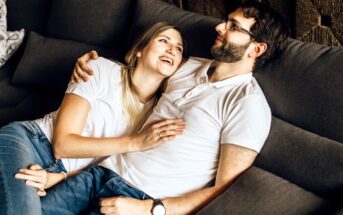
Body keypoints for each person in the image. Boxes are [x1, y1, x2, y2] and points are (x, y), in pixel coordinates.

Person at [41, 1, 290, 214]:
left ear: (257, 49)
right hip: (95, 175)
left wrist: (151, 209)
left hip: (137, 200)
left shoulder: (248, 104)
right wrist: (88, 64)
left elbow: (225, 190)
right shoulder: (187, 66)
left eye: (233, 27)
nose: (219, 27)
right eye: (226, 21)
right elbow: (134, 77)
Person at [0, 22, 187, 215]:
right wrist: (135, 143)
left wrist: (57, 178)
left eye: (179, 48)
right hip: (32, 143)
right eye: (164, 41)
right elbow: (62, 145)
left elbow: (107, 166)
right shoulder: (99, 69)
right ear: (139, 49)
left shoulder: (160, 112)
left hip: (65, 178)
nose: (172, 50)